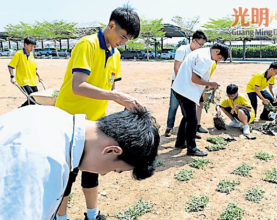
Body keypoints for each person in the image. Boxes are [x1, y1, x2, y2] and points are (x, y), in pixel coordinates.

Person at [55, 7, 142, 220]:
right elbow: (79, 86)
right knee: (68, 176)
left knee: (92, 171)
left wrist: (120, 105)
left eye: (128, 39)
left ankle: (92, 215)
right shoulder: (88, 44)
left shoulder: (116, 54)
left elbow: (109, 88)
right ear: (111, 26)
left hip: (94, 124)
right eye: (122, 36)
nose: (123, 42)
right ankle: (61, 217)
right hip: (71, 122)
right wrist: (119, 97)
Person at [0, 105, 159, 220]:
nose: (103, 173)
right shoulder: (45, 162)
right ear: (111, 151)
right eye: (114, 169)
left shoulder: (53, 116)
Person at [172, 43, 229, 156]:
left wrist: (205, 86)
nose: (218, 60)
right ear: (217, 51)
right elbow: (194, 79)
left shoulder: (201, 52)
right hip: (186, 91)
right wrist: (210, 84)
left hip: (180, 88)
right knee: (192, 120)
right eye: (220, 58)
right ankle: (192, 148)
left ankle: (180, 142)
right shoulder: (206, 59)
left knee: (187, 117)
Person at [164, 30, 209, 137]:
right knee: (173, 106)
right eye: (200, 44)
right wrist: (182, 84)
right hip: (178, 82)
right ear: (193, 41)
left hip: (190, 83)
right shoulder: (182, 50)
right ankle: (169, 128)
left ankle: (191, 131)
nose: (202, 47)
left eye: (203, 45)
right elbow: (176, 68)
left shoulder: (199, 53)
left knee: (189, 110)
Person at [7, 37, 43, 107]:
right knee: (32, 98)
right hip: (23, 81)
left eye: (33, 46)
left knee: (36, 98)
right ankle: (20, 109)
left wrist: (39, 77)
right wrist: (12, 77)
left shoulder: (31, 55)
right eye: (31, 46)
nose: (32, 48)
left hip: (32, 81)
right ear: (25, 44)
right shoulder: (19, 54)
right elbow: (10, 66)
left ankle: (25, 110)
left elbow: (34, 68)